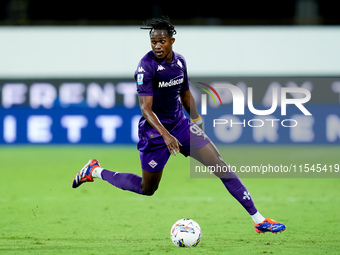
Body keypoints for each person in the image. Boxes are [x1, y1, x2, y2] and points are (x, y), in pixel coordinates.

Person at [72, 17, 286, 234]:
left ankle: (259, 220)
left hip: (181, 126)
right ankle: (95, 171)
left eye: (161, 41)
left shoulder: (180, 62)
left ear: (172, 41)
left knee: (219, 165)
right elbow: (146, 109)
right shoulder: (146, 67)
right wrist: (165, 136)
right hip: (154, 134)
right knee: (148, 189)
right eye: (153, 41)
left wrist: (196, 120)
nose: (157, 46)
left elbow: (184, 94)